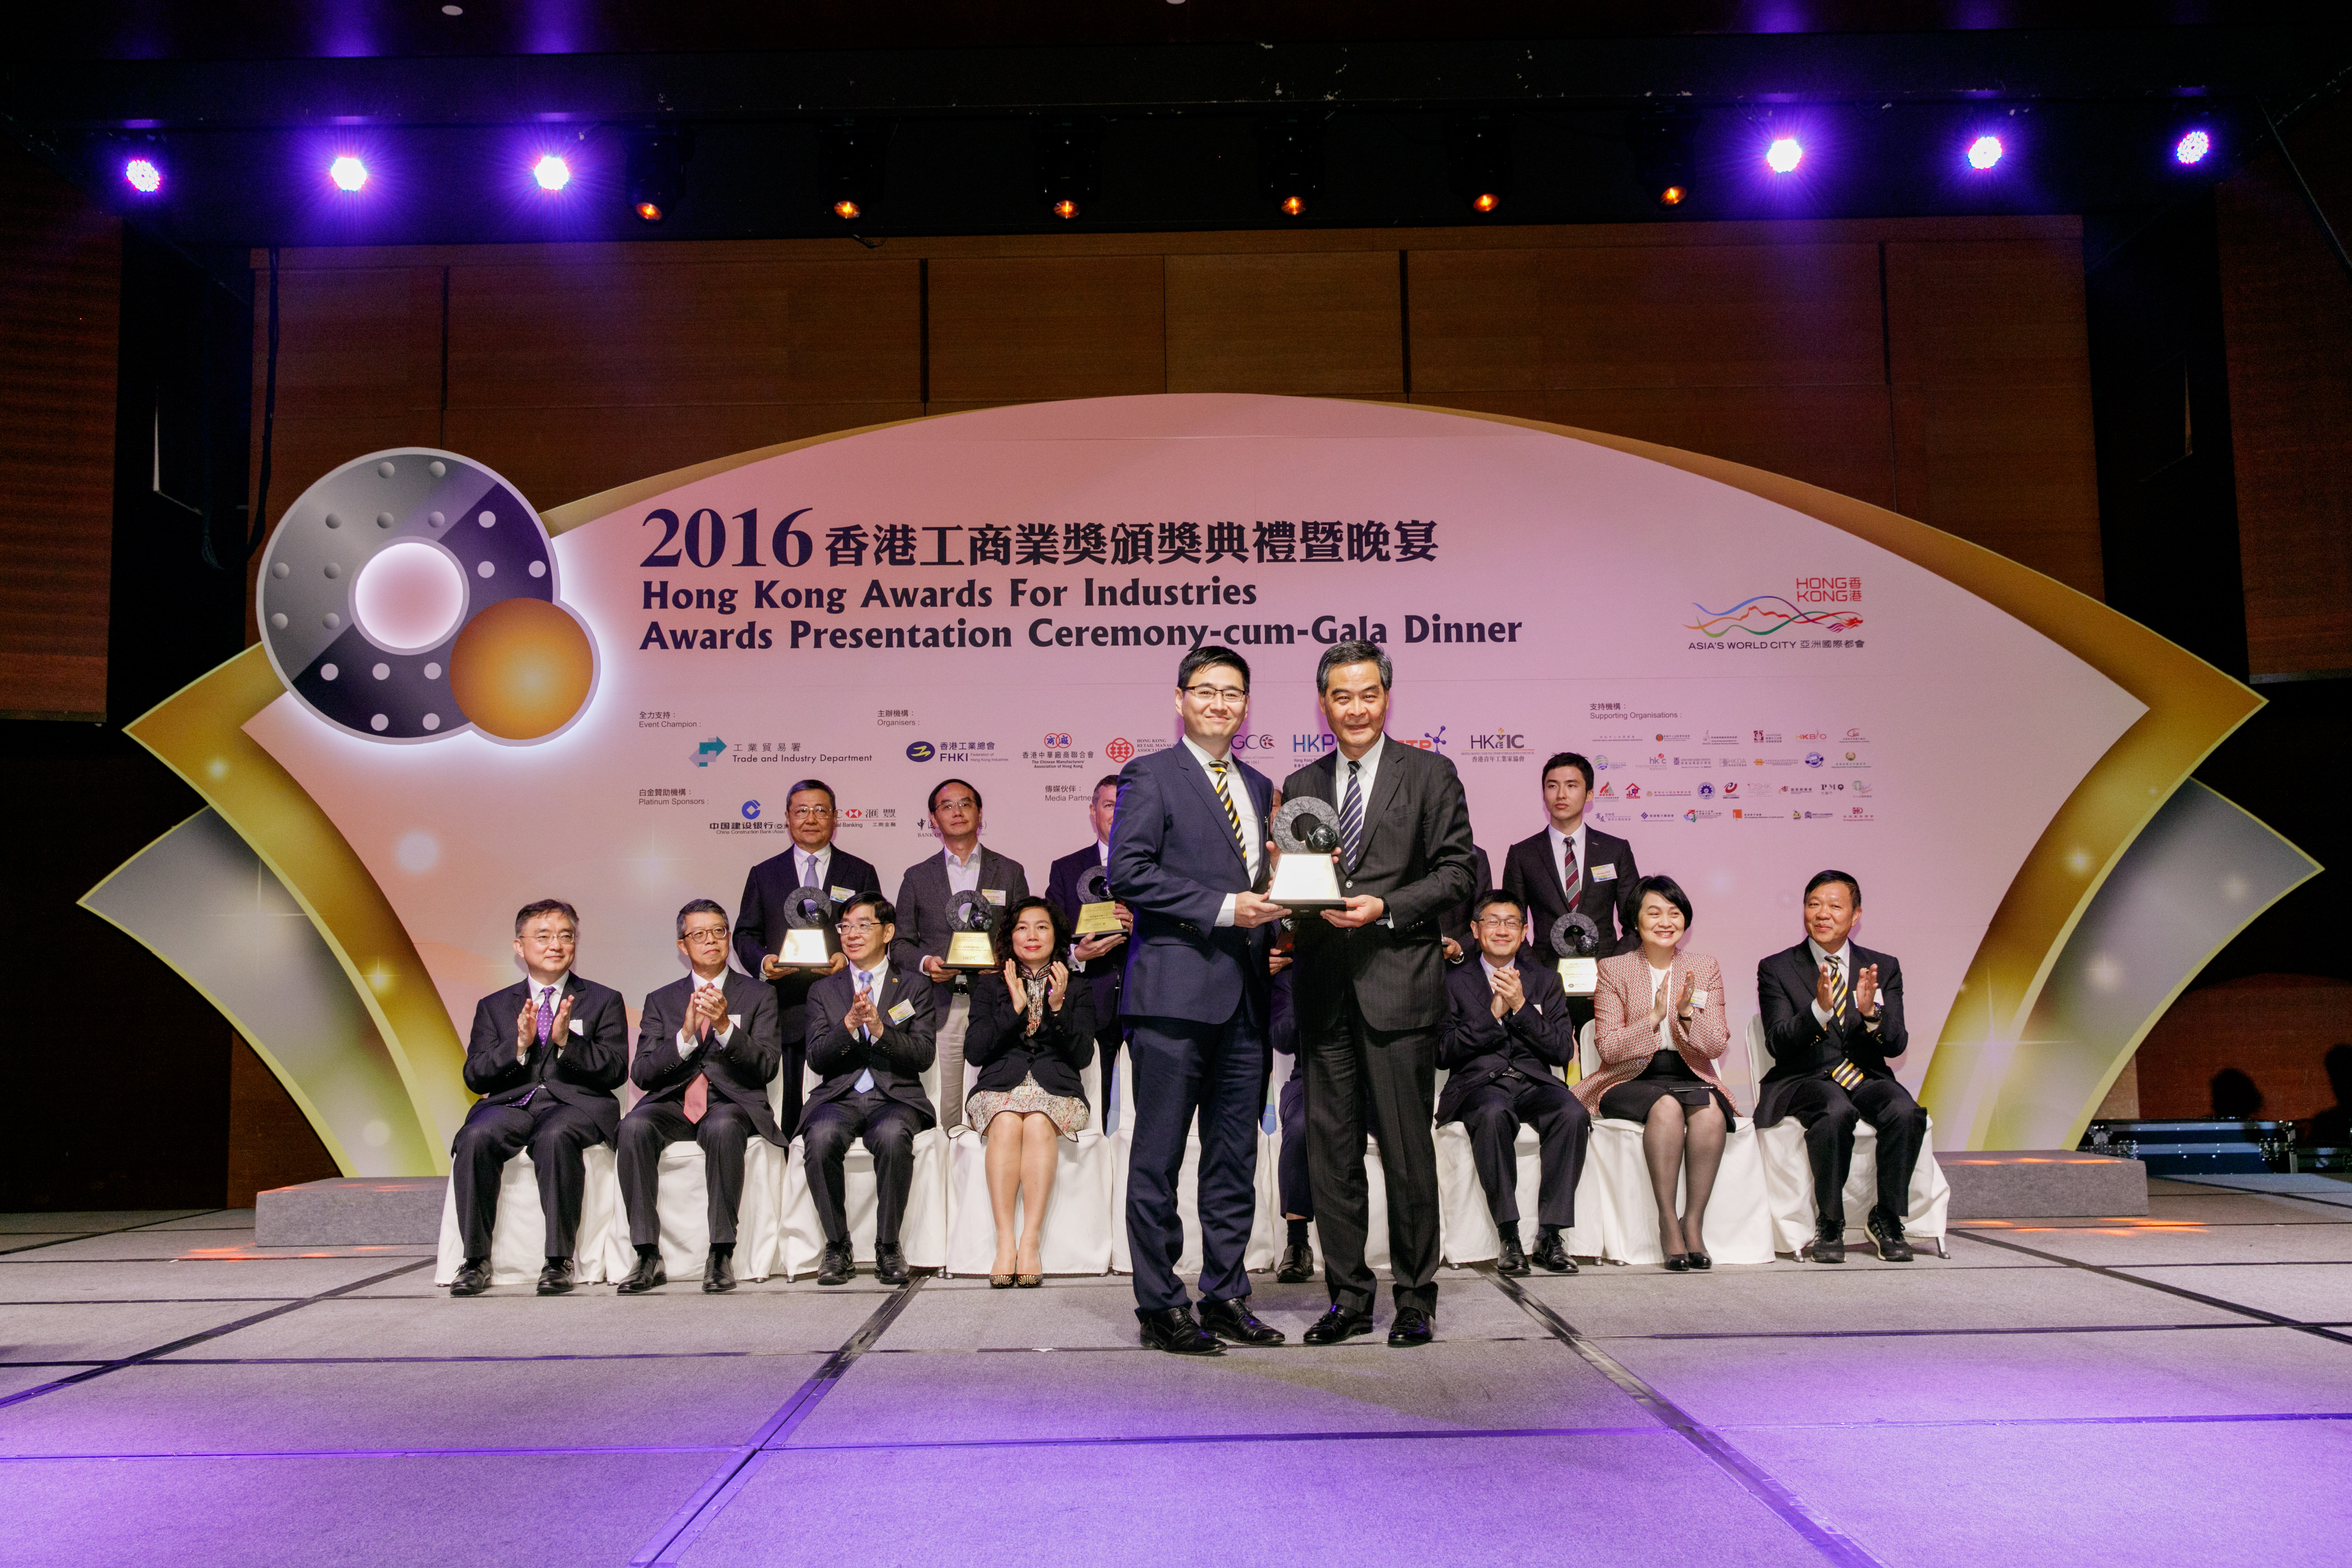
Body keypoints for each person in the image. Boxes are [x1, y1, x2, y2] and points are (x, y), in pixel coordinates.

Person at [1283, 641, 1478, 1348]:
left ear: (1386, 698)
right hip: (1324, 992)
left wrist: (1387, 907)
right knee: (1331, 1156)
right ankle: (1348, 1299)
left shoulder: (1429, 773)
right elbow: (1300, 881)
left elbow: (1459, 872)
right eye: (1342, 696)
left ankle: (1416, 1297)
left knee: (1405, 1154)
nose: (1356, 709)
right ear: (1324, 704)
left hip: (1400, 989)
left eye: (1368, 694)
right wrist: (1290, 897)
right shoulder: (1302, 781)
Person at [1107, 644, 1288, 1355]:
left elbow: (1263, 883)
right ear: (1180, 699)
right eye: (1206, 690)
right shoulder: (1150, 775)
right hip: (1173, 998)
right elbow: (1129, 873)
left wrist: (1295, 894)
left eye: (1233, 692)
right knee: (1157, 1159)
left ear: (1247, 705)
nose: (1220, 703)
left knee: (1233, 1158)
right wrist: (1224, 908)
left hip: (1245, 999)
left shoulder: (1261, 784)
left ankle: (1225, 1296)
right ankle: (1160, 1306)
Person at [448, 900, 630, 1297]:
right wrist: (517, 1045)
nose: (556, 945)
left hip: (575, 1106)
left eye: (566, 936)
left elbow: (616, 1070)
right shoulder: (495, 1006)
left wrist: (568, 1043)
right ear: (519, 946)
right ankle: (476, 1260)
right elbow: (475, 1075)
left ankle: (559, 1260)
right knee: (475, 1137)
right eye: (544, 937)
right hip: (511, 1105)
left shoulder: (603, 999)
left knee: (556, 1137)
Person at [616, 899, 785, 1295]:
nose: (711, 941)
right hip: (675, 1103)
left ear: (728, 937)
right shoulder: (662, 1000)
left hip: (731, 1101)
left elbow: (766, 1067)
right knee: (634, 1127)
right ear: (683, 945)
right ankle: (646, 1254)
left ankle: (721, 1252)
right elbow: (642, 1073)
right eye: (699, 934)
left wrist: (725, 1027)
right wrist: (685, 1036)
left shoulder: (759, 995)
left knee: (724, 1128)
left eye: (718, 932)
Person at [1756, 870, 1923, 1263]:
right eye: (1814, 904)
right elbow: (1778, 1042)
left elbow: (1896, 1044)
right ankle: (1831, 1220)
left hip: (1865, 1075)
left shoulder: (1883, 967)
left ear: (1855, 915)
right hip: (1806, 1077)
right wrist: (1818, 1011)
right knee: (1836, 1111)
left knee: (1906, 1112)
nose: (1822, 914)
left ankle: (1886, 1218)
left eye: (1834, 906)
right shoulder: (1777, 967)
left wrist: (1872, 1015)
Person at [1581, 875, 1733, 1271]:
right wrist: (1652, 1018)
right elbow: (1609, 1049)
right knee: (1665, 1108)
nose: (1666, 922)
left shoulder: (1703, 968)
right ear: (1636, 920)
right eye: (1654, 913)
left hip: (1688, 1072)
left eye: (1674, 913)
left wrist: (1686, 1016)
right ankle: (1668, 1222)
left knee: (1711, 1114)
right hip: (1628, 1077)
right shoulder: (1613, 969)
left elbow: (1716, 1044)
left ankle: (1693, 1223)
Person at [1437, 891, 1590, 1276]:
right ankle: (1509, 1236)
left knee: (1572, 1113)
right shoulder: (1451, 982)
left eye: (1511, 923)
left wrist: (1521, 1007)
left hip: (1534, 1082)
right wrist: (1492, 1016)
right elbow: (1442, 1051)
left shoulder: (1546, 980)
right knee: (1492, 1113)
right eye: (1492, 921)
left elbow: (1562, 1050)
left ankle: (1551, 1236)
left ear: (1524, 933)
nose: (1502, 930)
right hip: (1479, 1085)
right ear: (1475, 930)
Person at [734, 777, 883, 1138]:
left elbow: (877, 933)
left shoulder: (860, 871)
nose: (811, 819)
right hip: (784, 1007)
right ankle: (788, 1160)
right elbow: (746, 934)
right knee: (788, 1107)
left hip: (843, 1006)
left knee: (840, 1107)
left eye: (820, 810)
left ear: (835, 817)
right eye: (802, 811)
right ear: (787, 817)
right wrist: (764, 963)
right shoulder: (764, 873)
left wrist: (847, 960)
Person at [804, 892, 939, 1286]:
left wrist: (880, 1031)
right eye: (845, 927)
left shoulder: (914, 987)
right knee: (821, 1136)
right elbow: (816, 1058)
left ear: (889, 933)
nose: (852, 935)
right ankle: (837, 1246)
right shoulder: (823, 991)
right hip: (840, 1097)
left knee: (893, 1136)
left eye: (864, 925)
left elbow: (923, 1055)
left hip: (895, 1096)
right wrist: (848, 1026)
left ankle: (888, 1245)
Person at [963, 897, 1095, 1286]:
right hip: (999, 1088)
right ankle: (1006, 1242)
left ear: (1056, 937)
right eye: (1022, 928)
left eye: (1042, 927)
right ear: (1011, 937)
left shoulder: (1079, 988)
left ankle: (1030, 1240)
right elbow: (975, 1052)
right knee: (1006, 1122)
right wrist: (1014, 1009)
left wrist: (1058, 1008)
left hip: (1059, 1090)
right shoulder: (990, 987)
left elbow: (1083, 1056)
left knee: (1038, 1122)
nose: (1032, 935)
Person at [892, 779, 1030, 1132]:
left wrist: (1003, 960)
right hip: (942, 1003)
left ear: (980, 814)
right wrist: (927, 965)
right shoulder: (917, 877)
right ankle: (946, 1163)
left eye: (966, 804)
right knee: (946, 1104)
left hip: (997, 1002)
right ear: (933, 819)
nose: (957, 812)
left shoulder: (1010, 872)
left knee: (1000, 1096)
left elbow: (1026, 933)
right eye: (947, 806)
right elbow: (900, 944)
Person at [1501, 752, 1640, 1030]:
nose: (1561, 794)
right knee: (1551, 1055)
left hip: (1605, 985)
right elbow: (1512, 925)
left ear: (1589, 795)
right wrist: (1540, 975)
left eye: (1571, 785)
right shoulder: (1523, 854)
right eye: (1552, 786)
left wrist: (1611, 970)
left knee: (1605, 1055)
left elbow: (1636, 923)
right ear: (1544, 793)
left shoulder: (1615, 850)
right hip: (1545, 983)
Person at [1045, 774, 1132, 1126]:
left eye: (1126, 805)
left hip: (1144, 999)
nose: (1118, 813)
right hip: (1088, 999)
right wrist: (1077, 956)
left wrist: (1140, 924)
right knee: (1091, 1101)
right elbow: (1049, 939)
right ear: (1093, 811)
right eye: (1110, 805)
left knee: (1149, 1101)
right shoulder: (1066, 869)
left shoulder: (1158, 866)